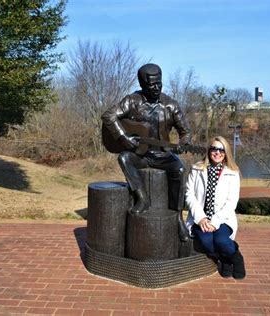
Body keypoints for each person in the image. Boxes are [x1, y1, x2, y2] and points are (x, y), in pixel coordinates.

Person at [101, 63, 192, 242]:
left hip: (163, 155)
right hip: (140, 154)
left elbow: (186, 132)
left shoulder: (171, 105)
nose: (157, 88)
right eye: (152, 85)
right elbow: (108, 115)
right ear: (142, 85)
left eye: (159, 83)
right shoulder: (132, 101)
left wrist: (183, 143)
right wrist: (123, 137)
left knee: (180, 170)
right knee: (125, 158)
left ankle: (177, 218)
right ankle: (142, 198)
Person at [185, 136, 246, 279]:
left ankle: (235, 258)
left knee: (221, 240)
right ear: (209, 150)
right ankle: (224, 257)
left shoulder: (233, 172)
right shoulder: (196, 169)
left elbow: (232, 201)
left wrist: (215, 221)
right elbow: (189, 194)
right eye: (214, 149)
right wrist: (201, 218)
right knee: (206, 241)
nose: (218, 152)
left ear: (226, 153)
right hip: (200, 217)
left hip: (223, 218)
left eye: (221, 150)